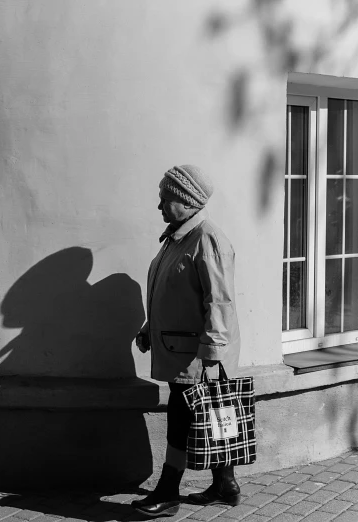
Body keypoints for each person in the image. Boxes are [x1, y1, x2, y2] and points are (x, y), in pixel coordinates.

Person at [131, 165, 241, 518]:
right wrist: (151, 327)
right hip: (185, 348)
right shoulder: (178, 237)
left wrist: (213, 356)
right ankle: (225, 485)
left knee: (183, 419)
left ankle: (168, 493)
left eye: (166, 198)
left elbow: (219, 302)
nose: (159, 205)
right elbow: (174, 293)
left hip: (198, 354)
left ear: (187, 201)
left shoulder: (207, 239)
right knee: (212, 416)